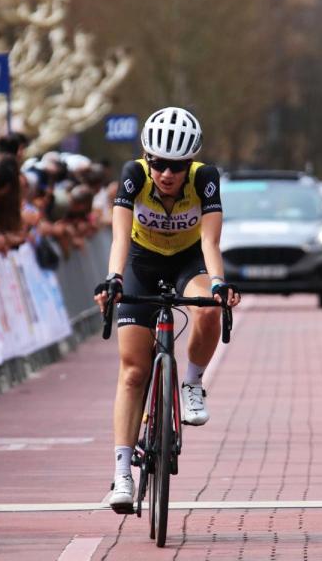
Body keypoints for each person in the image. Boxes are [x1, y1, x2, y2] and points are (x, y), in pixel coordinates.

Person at [92, 107, 240, 513]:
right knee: (133, 371)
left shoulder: (205, 179)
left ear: (190, 163)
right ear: (147, 158)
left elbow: (210, 242)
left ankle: (191, 383)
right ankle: (122, 472)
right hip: (141, 262)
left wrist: (218, 284)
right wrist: (113, 279)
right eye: (158, 163)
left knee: (208, 310)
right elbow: (120, 237)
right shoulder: (134, 174)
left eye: (177, 165)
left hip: (188, 261)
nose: (167, 173)